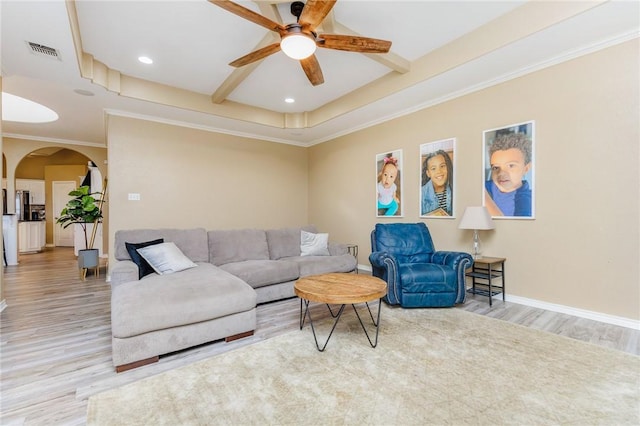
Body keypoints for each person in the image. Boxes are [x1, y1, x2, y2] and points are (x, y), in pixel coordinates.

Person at [484, 132, 532, 217]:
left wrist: (483, 196)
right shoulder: (486, 186)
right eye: (495, 167)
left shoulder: (527, 202)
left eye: (511, 166)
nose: (501, 173)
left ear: (526, 168)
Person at [421, 150, 453, 216]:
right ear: (428, 173)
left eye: (442, 166)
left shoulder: (454, 190)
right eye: (433, 168)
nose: (439, 171)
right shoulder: (421, 193)